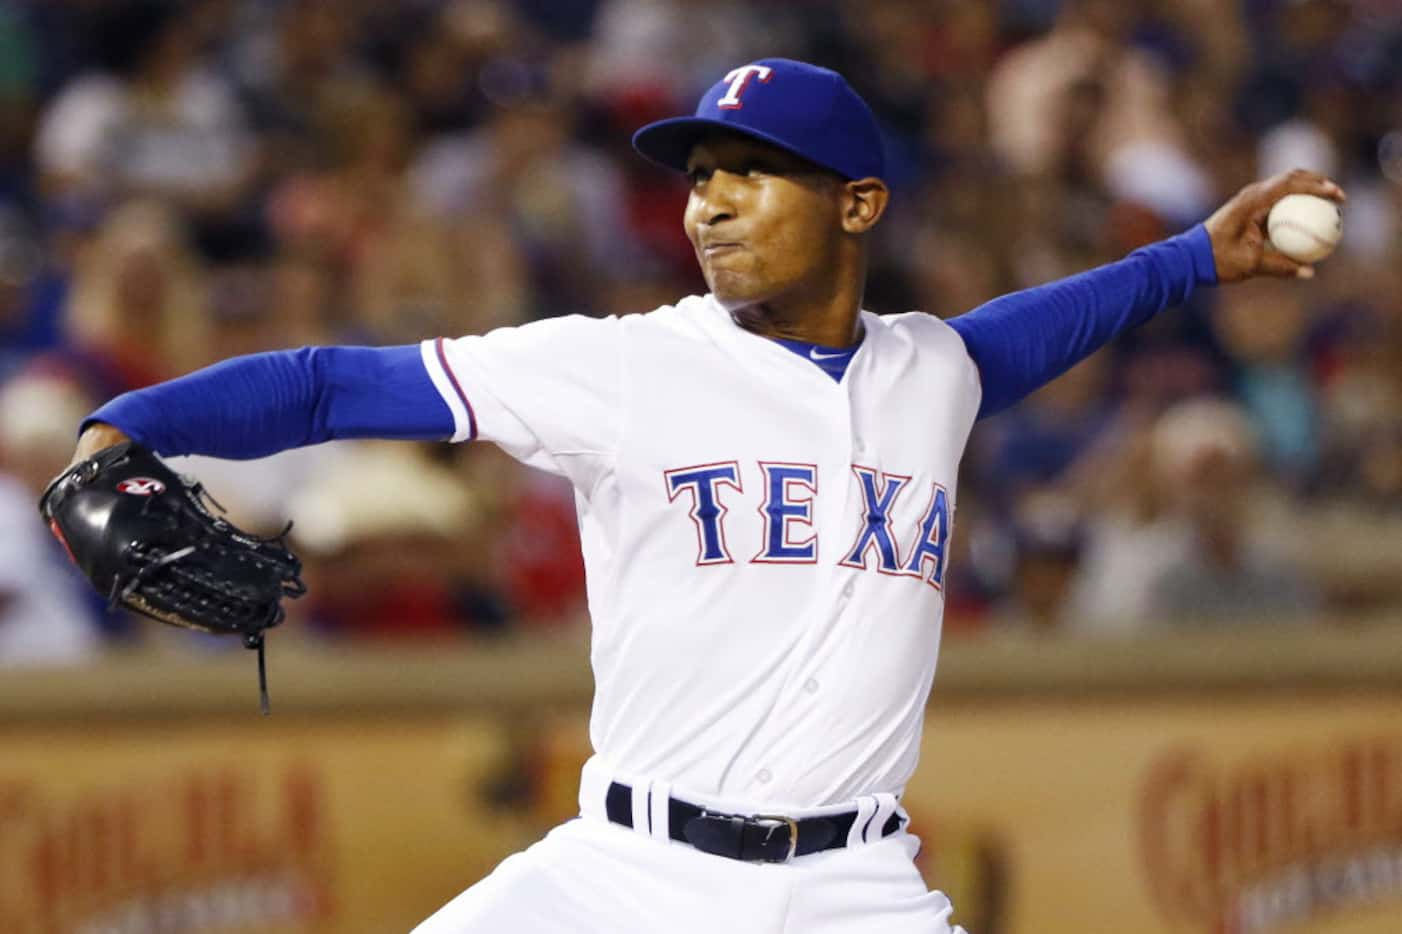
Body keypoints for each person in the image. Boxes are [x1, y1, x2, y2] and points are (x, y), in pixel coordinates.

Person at [61, 59, 1343, 934]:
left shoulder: (930, 370)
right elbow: (329, 382)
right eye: (696, 173)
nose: (710, 199)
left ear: (858, 205)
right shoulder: (623, 365)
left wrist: (1193, 256)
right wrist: (128, 424)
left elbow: (1048, 322)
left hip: (855, 887)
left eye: (751, 169)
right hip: (625, 873)